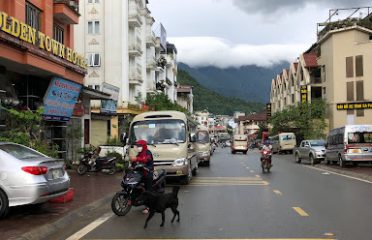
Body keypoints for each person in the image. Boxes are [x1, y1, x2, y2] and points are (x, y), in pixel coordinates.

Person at [130, 140, 154, 214]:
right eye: (137, 146)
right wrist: (132, 166)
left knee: (148, 190)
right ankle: (133, 200)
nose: (138, 147)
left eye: (139, 146)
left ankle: (149, 207)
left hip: (148, 173)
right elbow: (134, 163)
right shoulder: (139, 153)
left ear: (143, 146)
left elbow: (147, 159)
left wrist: (136, 159)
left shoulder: (148, 152)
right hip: (140, 173)